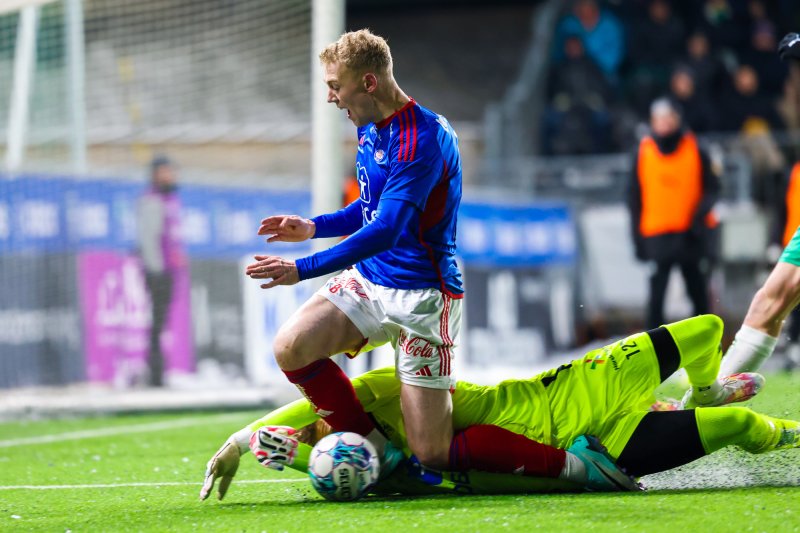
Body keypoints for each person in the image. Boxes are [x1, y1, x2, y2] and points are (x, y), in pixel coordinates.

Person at [244, 29, 535, 477]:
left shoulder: (423, 138)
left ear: (368, 83)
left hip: (422, 296)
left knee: (434, 451)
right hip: (369, 280)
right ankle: (379, 457)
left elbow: (387, 229)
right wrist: (313, 227)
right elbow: (367, 210)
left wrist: (301, 268)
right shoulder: (369, 128)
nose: (330, 97)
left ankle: (572, 465)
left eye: (334, 85)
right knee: (291, 347)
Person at [200, 315, 799, 501]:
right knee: (742, 425)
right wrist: (262, 450)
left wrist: (706, 389)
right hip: (595, 453)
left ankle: (707, 399)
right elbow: (335, 438)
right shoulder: (397, 465)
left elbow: (309, 409)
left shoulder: (384, 390)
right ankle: (788, 435)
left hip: (568, 393)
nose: (315, 426)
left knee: (706, 331)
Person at [628, 97, 720, 331]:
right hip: (657, 235)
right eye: (659, 118)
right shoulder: (642, 152)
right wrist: (637, 240)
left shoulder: (697, 148)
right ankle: (654, 350)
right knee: (656, 298)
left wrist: (699, 220)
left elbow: (712, 189)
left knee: (698, 293)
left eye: (669, 117)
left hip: (690, 234)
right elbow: (633, 198)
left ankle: (706, 345)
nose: (665, 123)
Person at [136, 155, 186, 387]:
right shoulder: (152, 201)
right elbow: (149, 239)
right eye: (166, 172)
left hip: (169, 271)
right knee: (156, 322)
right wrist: (156, 271)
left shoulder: (170, 200)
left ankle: (160, 373)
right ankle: (155, 374)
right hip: (159, 272)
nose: (170, 176)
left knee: (162, 321)